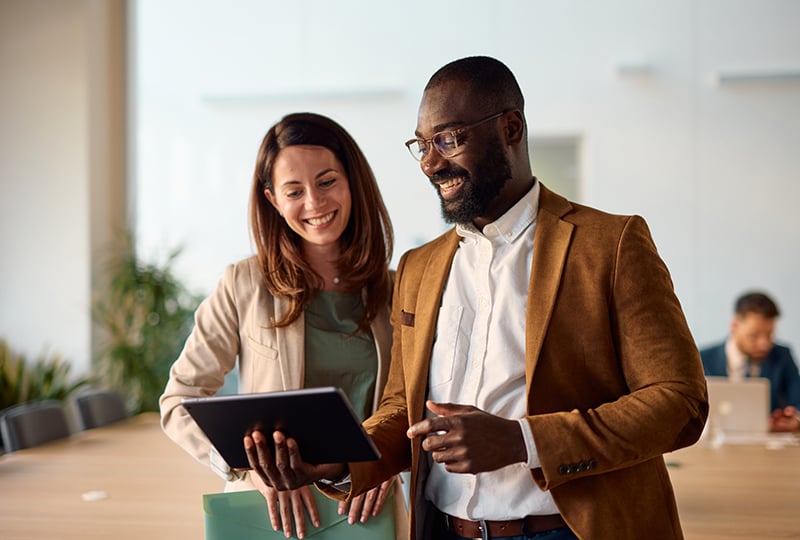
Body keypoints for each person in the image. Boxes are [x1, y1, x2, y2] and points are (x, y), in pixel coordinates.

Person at [242, 57, 709, 540]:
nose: (429, 162)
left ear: (511, 128)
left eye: (449, 139)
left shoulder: (609, 244)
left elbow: (680, 402)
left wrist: (522, 441)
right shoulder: (419, 266)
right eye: (421, 145)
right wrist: (339, 460)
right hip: (444, 530)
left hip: (569, 530)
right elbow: (404, 409)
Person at [159, 112, 407, 539]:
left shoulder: (398, 290)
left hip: (366, 513)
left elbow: (415, 407)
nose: (314, 203)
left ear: (353, 182)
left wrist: (385, 463)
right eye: (294, 190)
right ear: (274, 200)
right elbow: (178, 400)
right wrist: (251, 471)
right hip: (268, 515)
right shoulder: (243, 283)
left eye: (327, 181)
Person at [700, 291, 800, 432]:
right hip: (715, 443)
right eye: (754, 336)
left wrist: (795, 419)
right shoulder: (702, 358)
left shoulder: (782, 356)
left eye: (769, 335)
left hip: (768, 445)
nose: (764, 344)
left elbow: (797, 401)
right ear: (735, 326)